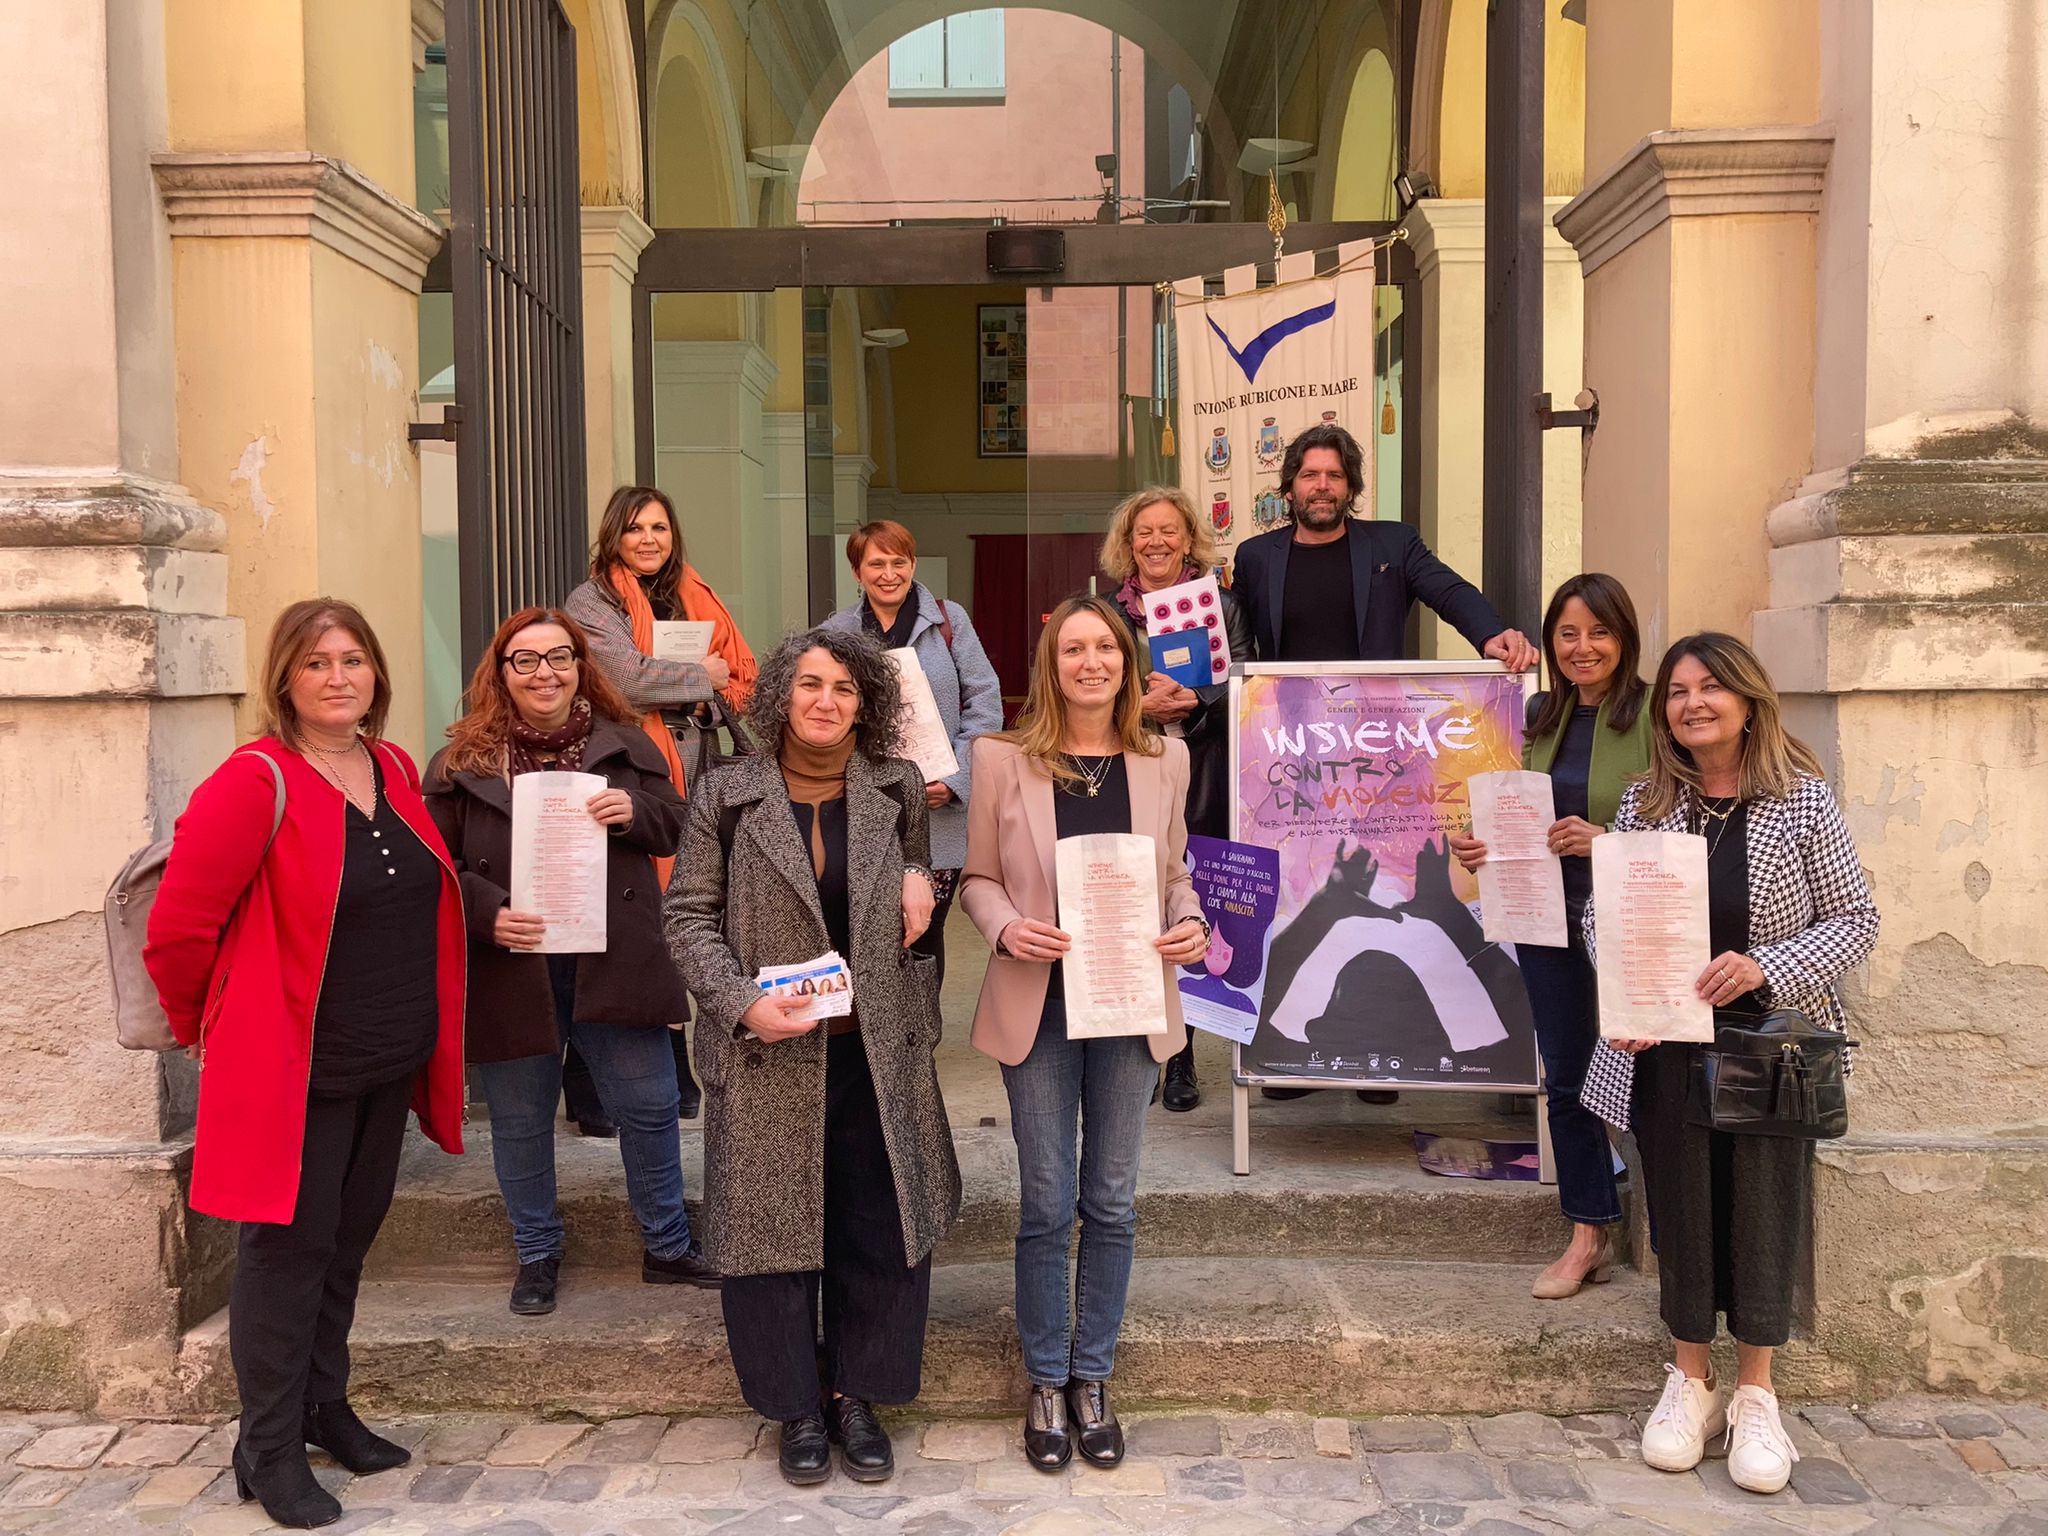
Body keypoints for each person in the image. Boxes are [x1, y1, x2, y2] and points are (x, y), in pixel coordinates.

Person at [145, 599, 466, 1528]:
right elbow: (179, 929)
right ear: (285, 678)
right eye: (318, 662)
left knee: (345, 1244)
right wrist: (200, 1026)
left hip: (384, 1059)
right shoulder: (255, 782)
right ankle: (268, 1445)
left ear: (376, 673)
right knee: (285, 1257)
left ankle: (325, 1406)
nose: (339, 677)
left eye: (354, 659)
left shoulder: (395, 766)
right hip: (294, 1071)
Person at [1581, 632, 1877, 1494]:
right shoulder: (1646, 802)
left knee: (1762, 1211)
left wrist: (1765, 965)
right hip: (1664, 1044)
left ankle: (1756, 1395)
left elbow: (1856, 919)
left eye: (1711, 688)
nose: (1692, 704)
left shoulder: (1803, 802)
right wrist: (1627, 994)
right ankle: (1690, 1383)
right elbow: (1604, 915)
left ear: (1748, 700)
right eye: (1676, 691)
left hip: (1768, 1047)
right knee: (1680, 1210)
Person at [666, 628, 961, 1487]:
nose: (825, 701)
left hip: (876, 1052)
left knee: (878, 1224)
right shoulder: (727, 792)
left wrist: (920, 873)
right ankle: (796, 1406)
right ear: (781, 697)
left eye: (843, 688)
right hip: (769, 1053)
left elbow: (913, 892)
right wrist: (742, 1005)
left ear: (866, 701)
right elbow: (687, 916)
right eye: (809, 685)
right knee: (772, 1233)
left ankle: (858, 1397)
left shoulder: (895, 785)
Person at [960, 594, 1210, 1472]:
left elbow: (1177, 874)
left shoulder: (1164, 759)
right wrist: (1003, 928)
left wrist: (1194, 924)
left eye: (1106, 646)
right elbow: (977, 877)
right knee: (1044, 1199)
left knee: (1109, 1200)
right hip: (1040, 1001)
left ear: (1127, 661)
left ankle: (1092, 1377)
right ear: (1051, 664)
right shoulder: (999, 759)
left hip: (1133, 1002)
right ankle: (1044, 1376)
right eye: (1074, 649)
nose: (1091, 662)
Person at [1231, 421, 1538, 1105]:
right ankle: (1287, 1061)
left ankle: (1379, 1052)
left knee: (1386, 894)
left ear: (1351, 486)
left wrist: (1494, 635)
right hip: (1294, 761)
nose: (1321, 486)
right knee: (1298, 892)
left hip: (1380, 758)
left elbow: (1450, 592)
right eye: (1309, 475)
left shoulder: (1391, 546)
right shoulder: (1255, 557)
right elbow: (1241, 647)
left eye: (1334, 476)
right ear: (1289, 488)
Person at [425, 607, 717, 1320]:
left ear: (581, 667)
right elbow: (435, 867)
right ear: (501, 673)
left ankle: (668, 1244)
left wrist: (634, 814)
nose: (544, 673)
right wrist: (487, 911)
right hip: (514, 960)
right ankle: (536, 1252)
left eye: (559, 657)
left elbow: (682, 823)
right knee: (521, 1115)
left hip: (611, 953)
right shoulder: (460, 761)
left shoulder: (625, 744)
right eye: (524, 660)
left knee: (648, 1106)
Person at [1449, 574, 1652, 1298]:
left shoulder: (1661, 713)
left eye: (1598, 631)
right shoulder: (1542, 713)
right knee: (1567, 1078)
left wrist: (1607, 839)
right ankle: (1589, 1232)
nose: (1582, 647)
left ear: (1623, 637)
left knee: (1647, 1075)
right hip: (1547, 917)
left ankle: (1669, 1230)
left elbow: (1687, 827)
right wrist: (1487, 847)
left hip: (1635, 919)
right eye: (1567, 633)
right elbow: (1530, 813)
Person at [563, 484, 761, 1127]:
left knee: (685, 911)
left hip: (698, 773)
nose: (649, 540)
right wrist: (703, 675)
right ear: (612, 536)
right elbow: (626, 679)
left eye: (660, 528)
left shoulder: (686, 595)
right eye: (635, 529)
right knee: (633, 918)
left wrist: (704, 690)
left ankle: (676, 1070)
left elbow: (737, 672)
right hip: (630, 768)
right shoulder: (590, 602)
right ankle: (598, 1088)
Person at [1098, 485, 1252, 1112]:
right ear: (1127, 543)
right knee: (1137, 906)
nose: (1156, 542)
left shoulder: (1223, 603)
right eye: (1144, 532)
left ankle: (1190, 1052)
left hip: (1207, 770)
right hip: (1128, 770)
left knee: (1197, 906)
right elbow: (1081, 681)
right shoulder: (1108, 612)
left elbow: (1246, 675)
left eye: (1169, 531)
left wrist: (1200, 701)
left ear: (1189, 538)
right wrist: (1139, 706)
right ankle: (1155, 1057)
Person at [821, 519, 1002, 987]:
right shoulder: (835, 632)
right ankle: (873, 1040)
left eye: (898, 561)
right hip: (861, 805)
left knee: (924, 930)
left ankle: (920, 1041)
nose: (888, 573)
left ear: (913, 564)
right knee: (865, 926)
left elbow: (984, 701)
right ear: (857, 571)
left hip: (938, 809)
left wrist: (957, 780)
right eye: (875, 563)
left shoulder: (949, 620)